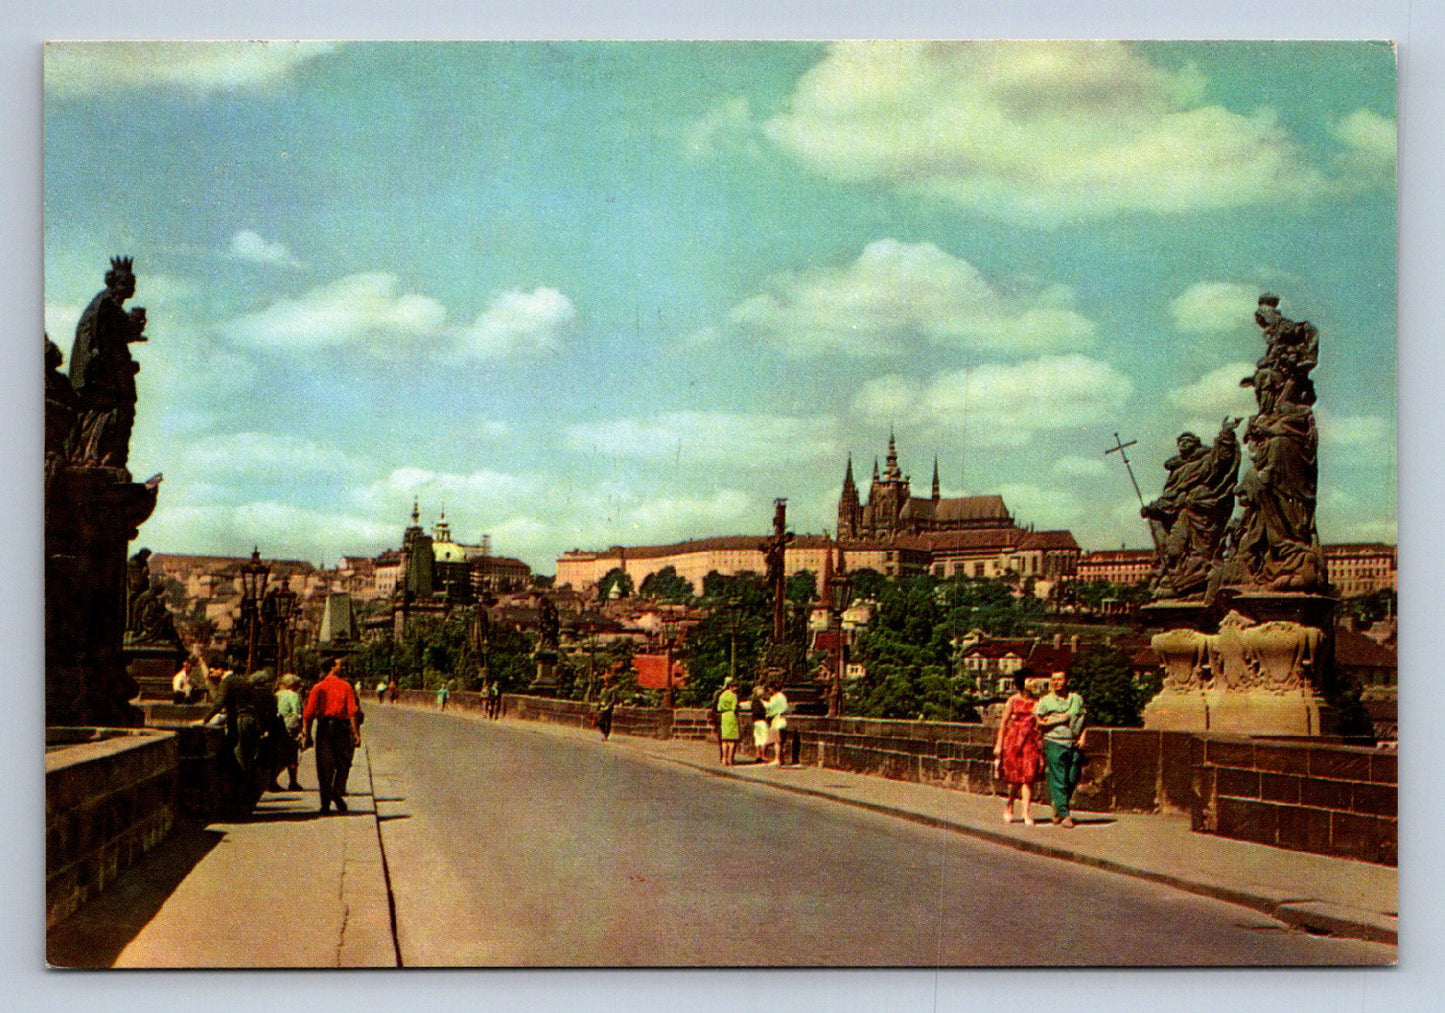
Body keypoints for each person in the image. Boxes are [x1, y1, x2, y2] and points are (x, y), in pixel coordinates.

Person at [303, 658, 362, 815]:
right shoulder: (346, 686)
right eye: (339, 665)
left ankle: (325, 805)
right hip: (342, 728)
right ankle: (337, 791)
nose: (341, 667)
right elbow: (352, 712)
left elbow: (308, 714)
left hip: (324, 729)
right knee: (343, 763)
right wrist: (356, 733)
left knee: (324, 767)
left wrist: (307, 735)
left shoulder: (318, 687)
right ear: (332, 667)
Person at [1034, 670, 1087, 828]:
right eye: (1053, 679)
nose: (1056, 682)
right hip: (1054, 741)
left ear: (1067, 681)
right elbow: (1038, 724)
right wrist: (1059, 720)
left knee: (1072, 777)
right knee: (1058, 778)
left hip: (1074, 742)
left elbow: (1084, 720)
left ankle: (1058, 806)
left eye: (1059, 679)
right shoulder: (1046, 701)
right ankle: (1065, 814)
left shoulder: (1076, 699)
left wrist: (1083, 737)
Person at [992, 669, 1044, 825]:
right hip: (1014, 740)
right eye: (1029, 680)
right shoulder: (1013, 700)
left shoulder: (1037, 702)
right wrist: (999, 744)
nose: (1033, 682)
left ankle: (1026, 812)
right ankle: (1010, 804)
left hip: (1030, 741)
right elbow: (1003, 723)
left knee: (1028, 778)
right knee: (1014, 778)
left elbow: (1039, 722)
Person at [275, 674, 305, 791]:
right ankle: (293, 781)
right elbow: (296, 713)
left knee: (278, 755)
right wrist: (300, 729)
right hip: (289, 726)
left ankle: (273, 780)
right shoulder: (294, 696)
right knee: (292, 756)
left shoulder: (276, 695)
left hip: (277, 726)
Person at [716, 678, 740, 766]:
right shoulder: (734, 696)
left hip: (724, 716)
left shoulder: (722, 695)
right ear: (731, 687)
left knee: (725, 740)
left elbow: (719, 707)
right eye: (735, 686)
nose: (736, 688)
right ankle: (730, 759)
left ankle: (724, 759)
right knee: (732, 741)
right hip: (731, 716)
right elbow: (734, 707)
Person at [765, 683, 789, 767]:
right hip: (782, 719)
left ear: (772, 688)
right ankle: (780, 759)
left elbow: (771, 708)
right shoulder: (783, 696)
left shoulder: (775, 698)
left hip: (776, 719)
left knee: (777, 741)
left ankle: (777, 759)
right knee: (780, 741)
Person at [749, 684, 769, 763]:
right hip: (762, 721)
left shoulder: (754, 702)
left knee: (758, 738)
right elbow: (758, 711)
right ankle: (762, 755)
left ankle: (759, 754)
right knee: (763, 738)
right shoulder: (759, 702)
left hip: (756, 721)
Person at [595, 673, 618, 740]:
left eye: (607, 681)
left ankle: (606, 735)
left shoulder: (612, 690)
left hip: (608, 709)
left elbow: (613, 700)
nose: (606, 683)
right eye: (605, 681)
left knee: (608, 722)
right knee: (599, 721)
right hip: (602, 708)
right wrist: (598, 707)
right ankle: (604, 732)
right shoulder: (603, 690)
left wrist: (608, 706)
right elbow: (600, 699)